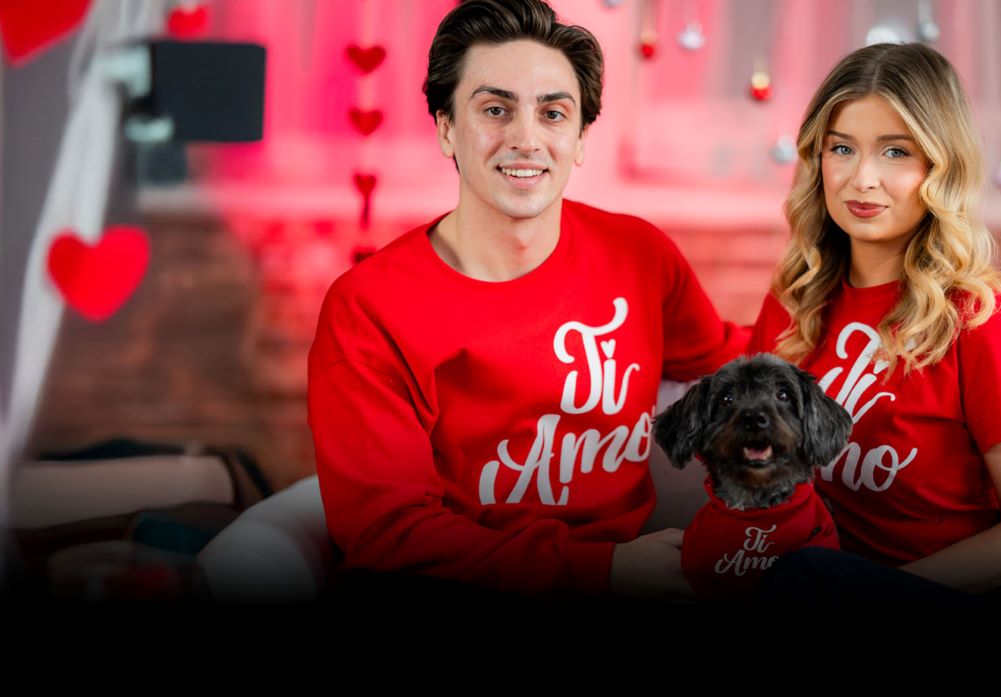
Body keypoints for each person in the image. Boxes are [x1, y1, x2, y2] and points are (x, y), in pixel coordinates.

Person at [307, 0, 746, 604]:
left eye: (553, 113)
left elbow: (735, 357)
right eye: (495, 109)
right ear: (445, 129)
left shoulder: (638, 254)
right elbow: (388, 534)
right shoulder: (368, 308)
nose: (525, 139)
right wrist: (604, 570)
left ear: (580, 137)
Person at [746, 42, 1001, 605]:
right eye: (841, 148)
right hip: (824, 589)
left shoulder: (978, 320)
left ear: (940, 167)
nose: (861, 179)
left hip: (963, 593)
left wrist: (878, 596)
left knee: (804, 578)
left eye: (895, 153)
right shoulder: (792, 304)